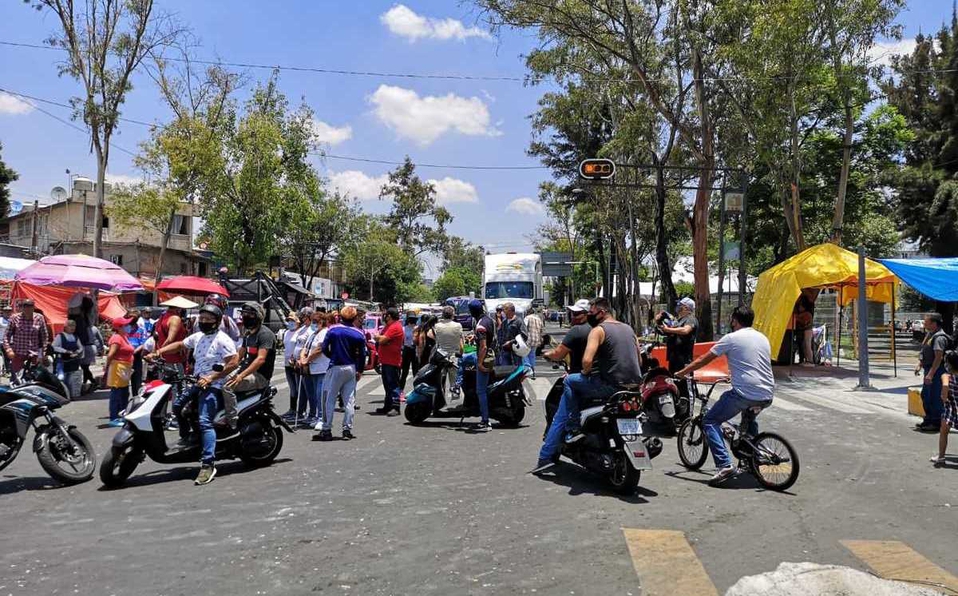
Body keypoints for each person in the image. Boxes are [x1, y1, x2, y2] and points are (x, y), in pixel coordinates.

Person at [533, 298, 642, 474]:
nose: (587, 316)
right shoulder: (629, 329)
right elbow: (639, 360)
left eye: (590, 313)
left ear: (601, 312)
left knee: (569, 384)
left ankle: (570, 431)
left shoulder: (598, 330)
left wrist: (585, 373)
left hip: (608, 386)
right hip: (633, 388)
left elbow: (586, 360)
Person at [676, 306, 775, 486]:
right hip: (767, 393)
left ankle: (724, 465)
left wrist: (682, 373)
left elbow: (703, 359)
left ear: (735, 320)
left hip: (744, 393)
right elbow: (753, 362)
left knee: (710, 421)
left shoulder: (731, 338)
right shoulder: (762, 337)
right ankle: (751, 460)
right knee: (748, 422)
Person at [148, 304, 239, 485]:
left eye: (208, 319)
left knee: (205, 421)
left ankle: (208, 464)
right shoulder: (198, 336)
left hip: (214, 385)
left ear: (217, 321)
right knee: (178, 406)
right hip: (198, 382)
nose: (204, 322)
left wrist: (212, 377)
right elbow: (181, 344)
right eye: (202, 319)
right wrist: (158, 352)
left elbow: (234, 362)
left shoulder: (223, 340)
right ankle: (188, 438)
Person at [313, 306, 366, 441]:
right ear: (354, 318)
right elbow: (362, 355)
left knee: (328, 399)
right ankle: (347, 430)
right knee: (349, 400)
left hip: (335, 366)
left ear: (340, 317)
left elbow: (324, 348)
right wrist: (359, 370)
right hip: (351, 367)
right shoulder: (359, 334)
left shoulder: (333, 330)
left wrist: (332, 356)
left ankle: (326, 429)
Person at [224, 302, 276, 428]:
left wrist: (240, 376)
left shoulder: (265, 334)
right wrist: (223, 368)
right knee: (218, 380)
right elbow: (238, 356)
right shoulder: (248, 334)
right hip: (247, 371)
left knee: (227, 386)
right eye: (244, 314)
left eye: (250, 314)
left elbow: (260, 359)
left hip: (260, 376)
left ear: (257, 316)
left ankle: (232, 420)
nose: (246, 317)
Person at [659, 297, 698, 404]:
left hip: (684, 361)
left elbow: (686, 330)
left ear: (686, 307)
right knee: (675, 386)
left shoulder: (690, 319)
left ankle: (688, 414)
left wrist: (668, 329)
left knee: (686, 388)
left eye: (680, 305)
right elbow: (669, 331)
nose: (678, 307)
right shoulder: (678, 321)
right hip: (674, 360)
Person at [915, 313, 949, 432]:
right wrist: (920, 363)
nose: (924, 324)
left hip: (936, 370)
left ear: (934, 324)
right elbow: (923, 349)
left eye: (926, 322)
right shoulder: (930, 334)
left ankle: (935, 422)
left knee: (934, 397)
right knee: (926, 395)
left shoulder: (939, 338)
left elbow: (938, 357)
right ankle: (928, 420)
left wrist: (931, 374)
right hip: (929, 369)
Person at [3, 299, 50, 378]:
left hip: (34, 355)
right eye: (25, 306)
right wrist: (8, 350)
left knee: (35, 379)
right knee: (17, 379)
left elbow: (44, 336)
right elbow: (6, 336)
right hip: (18, 353)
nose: (27, 309)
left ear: (33, 307)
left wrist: (42, 353)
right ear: (22, 308)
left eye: (30, 306)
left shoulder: (39, 318)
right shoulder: (14, 318)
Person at [542, 299, 591, 374]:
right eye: (572, 313)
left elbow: (557, 354)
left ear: (586, 314)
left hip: (580, 374)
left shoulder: (577, 330)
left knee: (566, 382)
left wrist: (547, 354)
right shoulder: (599, 328)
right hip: (600, 376)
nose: (573, 317)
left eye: (576, 314)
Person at [299, 311, 330, 428]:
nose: (314, 324)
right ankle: (316, 416)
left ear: (322, 322)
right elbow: (305, 348)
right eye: (313, 321)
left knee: (320, 395)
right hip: (312, 369)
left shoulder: (324, 333)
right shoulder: (313, 334)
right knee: (313, 395)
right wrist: (302, 358)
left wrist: (307, 360)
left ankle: (322, 419)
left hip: (322, 368)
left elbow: (319, 349)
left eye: (316, 322)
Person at [104, 316, 136, 427]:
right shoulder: (116, 338)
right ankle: (113, 417)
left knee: (124, 393)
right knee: (116, 394)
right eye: (125, 325)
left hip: (125, 368)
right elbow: (111, 354)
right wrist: (106, 366)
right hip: (118, 367)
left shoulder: (124, 336)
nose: (128, 326)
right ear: (119, 327)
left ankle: (122, 414)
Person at [472, 299, 498, 432]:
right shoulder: (489, 320)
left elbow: (483, 346)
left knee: (480, 390)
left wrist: (479, 363)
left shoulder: (480, 326)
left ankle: (485, 420)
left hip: (485, 358)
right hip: (493, 356)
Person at [374, 307, 405, 416]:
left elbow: (381, 339)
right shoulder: (388, 326)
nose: (384, 316)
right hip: (386, 360)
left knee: (393, 385)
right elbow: (380, 338)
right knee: (387, 385)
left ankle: (395, 407)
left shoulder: (395, 327)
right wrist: (380, 338)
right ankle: (387, 405)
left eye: (386, 315)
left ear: (390, 316)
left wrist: (379, 338)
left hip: (393, 361)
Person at [931, 350, 958, 465]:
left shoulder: (946, 376)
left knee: (944, 431)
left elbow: (945, 389)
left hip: (951, 409)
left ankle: (941, 457)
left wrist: (944, 397)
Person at [431, 306, 464, 399]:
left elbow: (435, 340)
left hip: (441, 356)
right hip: (454, 356)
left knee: (440, 380)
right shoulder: (458, 325)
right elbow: (461, 345)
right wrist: (461, 354)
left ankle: (440, 400)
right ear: (452, 315)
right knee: (454, 381)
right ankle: (455, 399)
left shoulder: (437, 326)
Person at [281, 311, 307, 421]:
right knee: (292, 388)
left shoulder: (300, 333)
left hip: (296, 363)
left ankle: (301, 411)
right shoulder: (286, 332)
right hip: (287, 363)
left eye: (292, 320)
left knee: (299, 388)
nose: (290, 322)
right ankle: (292, 409)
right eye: (289, 320)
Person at [52, 318, 83, 398]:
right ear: (65, 327)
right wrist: (65, 351)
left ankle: (70, 395)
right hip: (62, 361)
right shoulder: (60, 336)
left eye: (74, 326)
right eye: (70, 326)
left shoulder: (75, 337)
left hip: (73, 362)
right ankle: (61, 395)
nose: (72, 328)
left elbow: (80, 348)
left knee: (71, 380)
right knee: (61, 378)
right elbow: (54, 347)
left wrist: (77, 352)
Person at [156, 301, 188, 373]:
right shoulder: (175, 318)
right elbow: (170, 339)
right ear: (178, 308)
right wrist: (161, 352)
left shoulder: (162, 317)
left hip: (164, 359)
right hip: (173, 359)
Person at [127, 308, 149, 396]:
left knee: (136, 380)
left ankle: (136, 397)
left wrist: (135, 351)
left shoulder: (141, 329)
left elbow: (143, 343)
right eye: (131, 316)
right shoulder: (125, 328)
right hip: (125, 356)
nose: (132, 319)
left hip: (136, 356)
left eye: (134, 317)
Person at [399, 313, 418, 390]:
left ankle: (416, 389)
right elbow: (402, 341)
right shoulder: (404, 328)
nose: (412, 320)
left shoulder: (417, 328)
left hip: (415, 350)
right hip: (407, 350)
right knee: (404, 372)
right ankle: (400, 391)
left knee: (415, 372)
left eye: (413, 319)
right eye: (410, 319)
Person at [523, 306, 544, 378]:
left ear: (528, 312)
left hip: (528, 339)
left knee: (524, 354)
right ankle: (532, 370)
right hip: (536, 340)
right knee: (532, 355)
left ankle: (528, 370)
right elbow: (541, 330)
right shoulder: (539, 319)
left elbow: (524, 328)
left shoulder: (527, 318)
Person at [0, 305, 11, 376]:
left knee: (7, 357)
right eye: (6, 311)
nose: (7, 312)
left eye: (9, 311)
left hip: (9, 342)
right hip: (0, 341)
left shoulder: (13, 320)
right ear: (3, 312)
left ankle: (8, 371)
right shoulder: (0, 319)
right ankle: (1, 371)